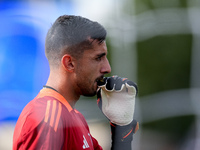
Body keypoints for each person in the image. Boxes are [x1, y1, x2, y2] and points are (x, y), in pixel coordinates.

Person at [13, 15, 139, 150]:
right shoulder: (46, 117)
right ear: (69, 63)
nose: (107, 68)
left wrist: (121, 129)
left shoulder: (76, 119)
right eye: (98, 58)